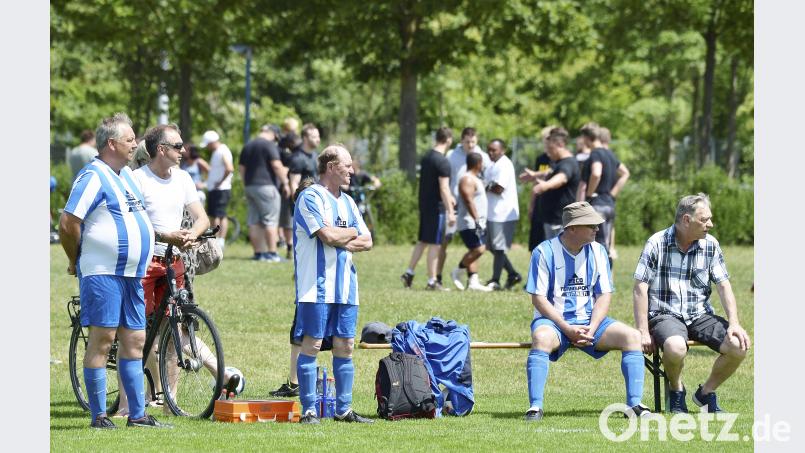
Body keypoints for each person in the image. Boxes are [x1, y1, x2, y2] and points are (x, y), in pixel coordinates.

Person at [58, 113, 169, 429]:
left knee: (134, 341)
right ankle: (99, 416)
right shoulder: (93, 176)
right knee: (103, 339)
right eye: (130, 139)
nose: (136, 143)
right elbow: (68, 223)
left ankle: (137, 415)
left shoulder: (126, 176)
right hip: (103, 272)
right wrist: (75, 258)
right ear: (111, 143)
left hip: (132, 274)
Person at [524, 201, 650, 421]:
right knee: (541, 338)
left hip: (591, 322)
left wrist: (591, 327)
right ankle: (535, 407)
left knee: (632, 336)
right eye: (591, 224)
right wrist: (567, 328)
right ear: (572, 228)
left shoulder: (599, 251)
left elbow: (604, 295)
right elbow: (539, 299)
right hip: (554, 322)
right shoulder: (543, 252)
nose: (597, 229)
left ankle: (635, 405)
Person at [633, 193, 750, 413]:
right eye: (704, 220)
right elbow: (640, 288)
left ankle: (705, 393)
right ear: (686, 220)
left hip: (700, 315)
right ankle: (677, 392)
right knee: (676, 347)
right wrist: (643, 331)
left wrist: (734, 323)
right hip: (664, 314)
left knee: (738, 346)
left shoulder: (711, 245)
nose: (710, 225)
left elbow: (724, 286)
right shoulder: (656, 243)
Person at [293, 144, 374, 424]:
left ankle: (343, 410)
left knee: (346, 345)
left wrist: (344, 235)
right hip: (315, 286)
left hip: (346, 286)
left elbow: (368, 240)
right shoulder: (310, 197)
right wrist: (350, 232)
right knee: (312, 344)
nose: (352, 171)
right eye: (347, 165)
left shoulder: (349, 202)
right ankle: (310, 410)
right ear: (331, 167)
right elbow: (327, 236)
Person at [400, 127, 455, 291]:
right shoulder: (443, 161)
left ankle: (409, 273)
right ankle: (432, 281)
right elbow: (443, 188)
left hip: (424, 205)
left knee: (423, 241)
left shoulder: (427, 157)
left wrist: (449, 196)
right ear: (449, 140)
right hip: (436, 208)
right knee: (435, 244)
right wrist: (450, 211)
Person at [441, 127, 491, 286]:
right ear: (461, 140)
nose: (470, 144)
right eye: (467, 141)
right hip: (460, 209)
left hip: (475, 213)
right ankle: (438, 277)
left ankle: (473, 279)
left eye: (473, 141)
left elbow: (488, 176)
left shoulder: (480, 155)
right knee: (448, 242)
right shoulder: (452, 157)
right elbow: (467, 198)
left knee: (476, 246)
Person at [239, 124, 290, 262]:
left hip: (250, 186)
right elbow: (276, 165)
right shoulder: (269, 145)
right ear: (274, 134)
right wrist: (285, 182)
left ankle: (259, 254)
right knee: (270, 220)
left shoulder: (248, 145)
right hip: (267, 186)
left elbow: (242, 168)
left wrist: (246, 185)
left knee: (254, 220)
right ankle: (272, 254)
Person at [578, 123, 630, 257]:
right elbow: (625, 173)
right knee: (606, 245)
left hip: (598, 205)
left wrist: (589, 195)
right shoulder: (610, 154)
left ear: (587, 138)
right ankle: (607, 275)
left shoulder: (595, 154)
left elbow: (596, 173)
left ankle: (601, 276)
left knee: (597, 247)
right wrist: (613, 193)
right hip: (609, 205)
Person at [526, 127, 580, 241]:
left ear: (560, 144)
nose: (548, 153)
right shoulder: (558, 162)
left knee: (561, 256)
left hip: (560, 222)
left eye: (550, 148)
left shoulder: (568, 163)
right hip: (553, 220)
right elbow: (551, 174)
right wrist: (535, 176)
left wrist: (545, 185)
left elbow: (562, 178)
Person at [449, 153, 492, 292]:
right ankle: (458, 270)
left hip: (477, 221)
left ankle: (473, 281)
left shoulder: (475, 178)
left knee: (474, 249)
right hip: (469, 222)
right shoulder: (467, 179)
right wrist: (477, 219)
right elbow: (468, 200)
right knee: (479, 249)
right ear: (478, 163)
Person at [483, 139, 522, 291]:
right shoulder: (492, 165)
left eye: (494, 150)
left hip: (503, 213)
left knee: (499, 248)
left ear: (503, 150)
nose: (491, 153)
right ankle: (513, 274)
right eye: (489, 150)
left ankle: (495, 280)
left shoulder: (504, 164)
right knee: (492, 247)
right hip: (493, 213)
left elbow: (499, 188)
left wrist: (484, 185)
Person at [519, 126, 556, 251]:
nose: (546, 143)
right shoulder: (541, 159)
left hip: (554, 203)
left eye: (549, 140)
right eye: (545, 140)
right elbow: (536, 183)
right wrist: (532, 204)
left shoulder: (562, 160)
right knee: (536, 240)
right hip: (541, 202)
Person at [200, 130, 234, 249]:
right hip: (216, 189)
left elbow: (229, 168)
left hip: (221, 189)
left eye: (208, 144)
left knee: (219, 214)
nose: (207, 147)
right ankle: (217, 239)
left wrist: (220, 182)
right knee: (215, 215)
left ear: (212, 142)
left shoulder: (222, 151)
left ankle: (220, 240)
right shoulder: (217, 152)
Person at [278, 117, 301, 259]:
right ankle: (289, 246)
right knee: (287, 218)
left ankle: (293, 246)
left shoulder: (300, 146)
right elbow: (279, 164)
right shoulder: (282, 144)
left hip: (296, 184)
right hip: (287, 184)